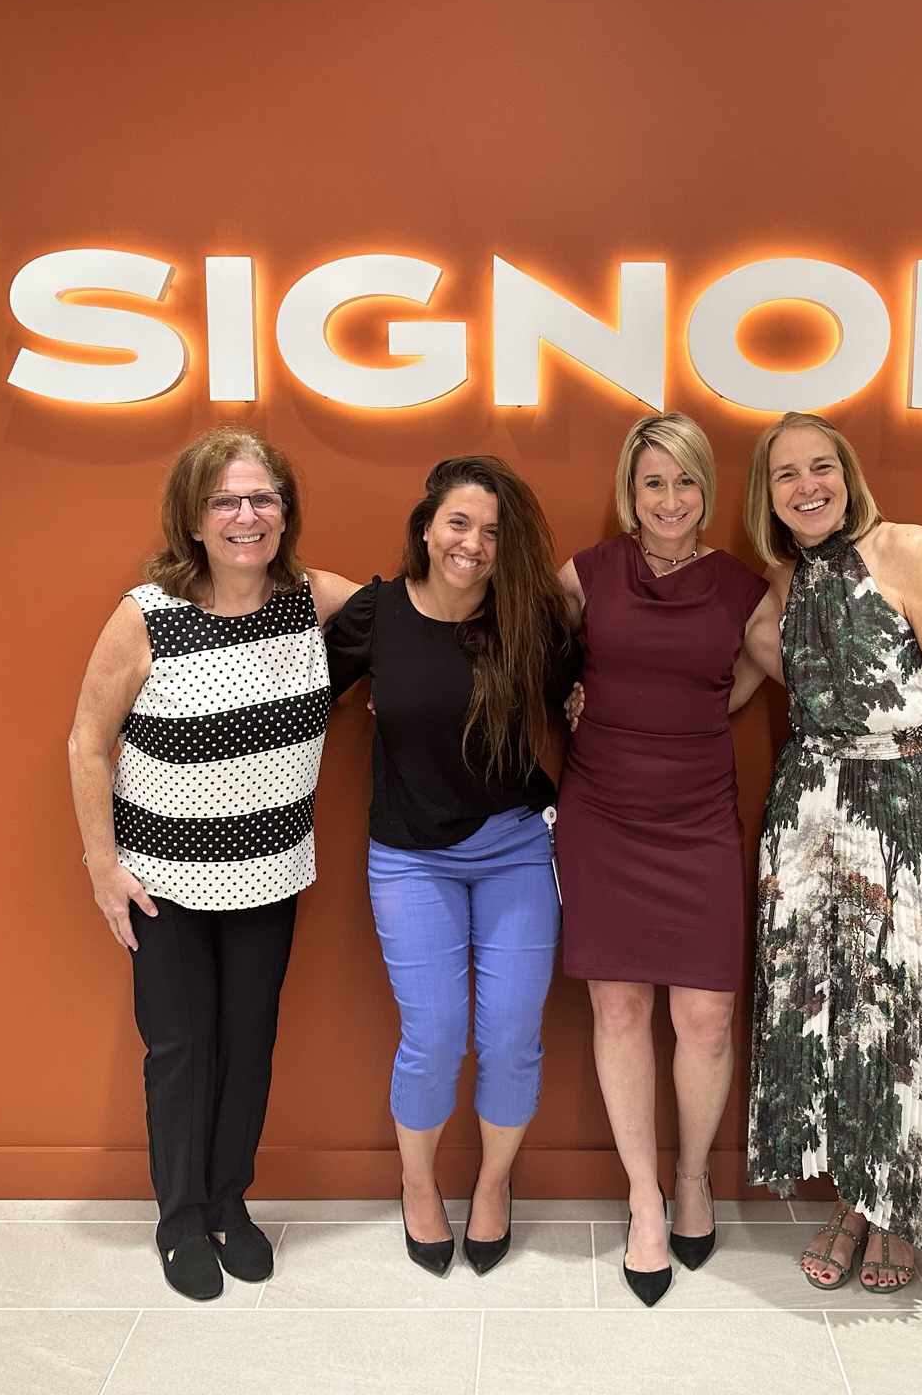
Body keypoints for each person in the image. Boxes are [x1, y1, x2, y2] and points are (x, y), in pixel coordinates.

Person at [67, 427, 357, 1302]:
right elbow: (88, 744)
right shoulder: (147, 611)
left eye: (262, 498)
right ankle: (179, 1219)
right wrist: (101, 867)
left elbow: (423, 621)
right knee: (182, 1050)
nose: (245, 515)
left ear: (285, 511)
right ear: (193, 519)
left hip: (271, 873)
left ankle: (231, 1203)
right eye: (225, 501)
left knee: (250, 1043)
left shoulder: (313, 598)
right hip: (165, 883)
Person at [740, 411, 922, 1292]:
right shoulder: (783, 583)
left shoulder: (907, 548)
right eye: (786, 475)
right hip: (809, 818)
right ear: (766, 495)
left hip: (909, 808)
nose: (808, 487)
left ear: (846, 475)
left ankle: (899, 1210)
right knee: (835, 1012)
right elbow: (714, 685)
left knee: (906, 1012)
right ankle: (855, 1198)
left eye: (822, 468)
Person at [325, 455, 576, 1278]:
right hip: (408, 860)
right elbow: (296, 700)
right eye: (459, 523)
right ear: (427, 528)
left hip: (514, 850)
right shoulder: (377, 615)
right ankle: (419, 1184)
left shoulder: (530, 623)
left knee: (509, 1039)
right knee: (433, 1036)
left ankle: (495, 1184)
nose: (474, 543)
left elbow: (595, 700)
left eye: (494, 531)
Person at [553, 413, 771, 1307]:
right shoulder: (587, 573)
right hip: (602, 811)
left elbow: (772, 668)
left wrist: (712, 703)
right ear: (629, 492)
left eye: (685, 482)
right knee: (618, 1008)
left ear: (705, 491)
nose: (670, 499)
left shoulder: (742, 590)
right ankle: (644, 1199)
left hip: (699, 820)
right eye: (653, 483)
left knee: (708, 1018)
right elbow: (526, 652)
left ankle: (692, 1176)